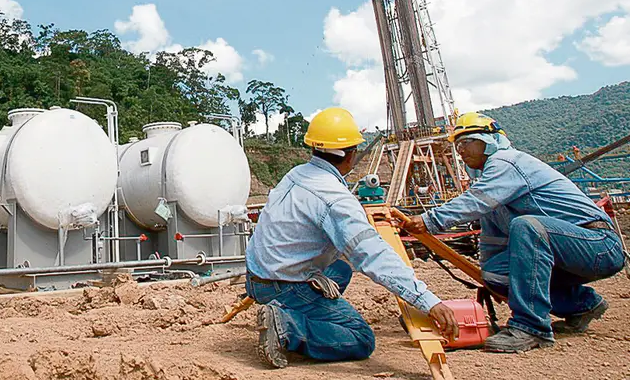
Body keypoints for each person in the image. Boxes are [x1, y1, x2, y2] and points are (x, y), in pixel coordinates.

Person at [246, 107, 458, 367]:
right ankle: (288, 326)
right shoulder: (334, 199)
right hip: (283, 285)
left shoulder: (297, 174)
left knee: (342, 269)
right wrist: (427, 301)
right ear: (351, 155)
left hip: (257, 277)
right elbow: (372, 255)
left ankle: (294, 310)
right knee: (360, 339)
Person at [403, 113, 627, 353]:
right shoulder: (492, 188)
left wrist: (430, 220)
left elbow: (475, 201)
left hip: (599, 244)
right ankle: (581, 305)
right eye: (457, 145)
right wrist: (490, 278)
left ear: (487, 140)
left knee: (527, 226)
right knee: (497, 275)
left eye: (466, 143)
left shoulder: (505, 162)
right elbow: (492, 242)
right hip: (567, 249)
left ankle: (531, 328)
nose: (460, 151)